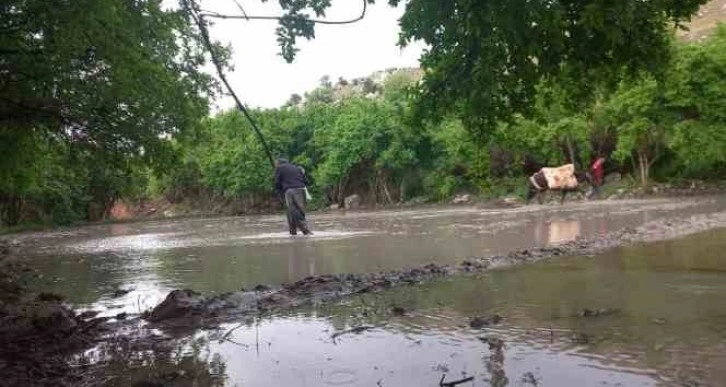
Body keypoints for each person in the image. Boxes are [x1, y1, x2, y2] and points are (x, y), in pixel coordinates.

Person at [274, 157, 312, 235]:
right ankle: (292, 232)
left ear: (279, 163)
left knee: (293, 211)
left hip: (290, 191)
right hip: (302, 190)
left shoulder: (279, 168)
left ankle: (306, 231)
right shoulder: (297, 168)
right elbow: (306, 181)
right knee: (299, 211)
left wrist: (280, 193)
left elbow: (277, 183)